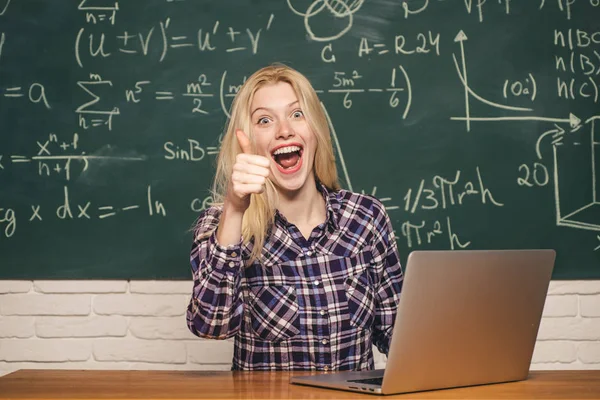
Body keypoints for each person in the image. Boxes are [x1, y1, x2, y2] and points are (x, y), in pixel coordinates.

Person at [186, 63, 403, 371]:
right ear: (249, 141)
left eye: (297, 114)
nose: (284, 130)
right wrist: (235, 208)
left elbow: (397, 333)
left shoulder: (365, 217)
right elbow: (210, 326)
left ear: (315, 130)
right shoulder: (222, 225)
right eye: (264, 120)